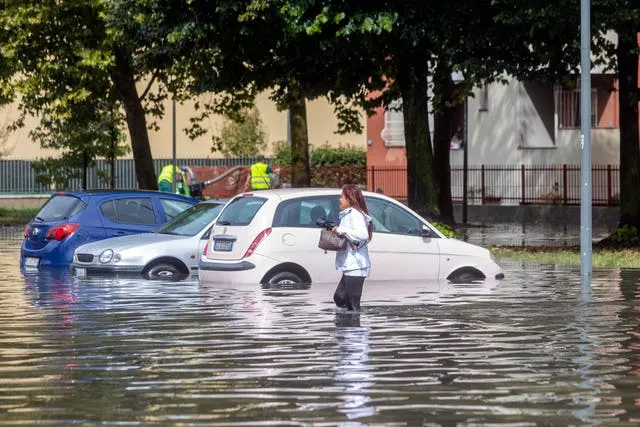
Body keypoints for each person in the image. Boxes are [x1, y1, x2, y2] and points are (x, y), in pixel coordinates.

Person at [331, 184, 373, 311]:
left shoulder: (355, 214)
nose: (339, 200)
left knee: (353, 304)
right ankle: (346, 328)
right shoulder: (349, 214)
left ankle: (355, 329)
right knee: (340, 298)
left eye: (342, 197)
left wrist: (341, 230)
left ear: (350, 199)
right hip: (351, 265)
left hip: (356, 265)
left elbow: (363, 235)